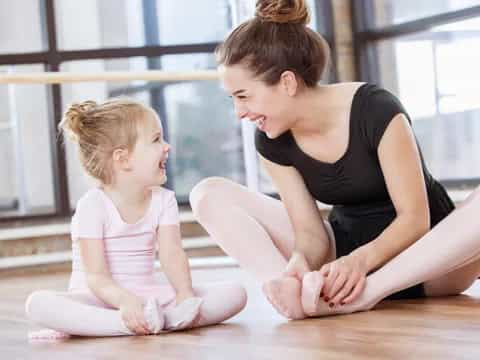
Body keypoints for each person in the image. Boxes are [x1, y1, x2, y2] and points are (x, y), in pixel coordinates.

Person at [189, 0, 480, 320]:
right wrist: (299, 260)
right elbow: (311, 233)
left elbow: (414, 219)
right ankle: (290, 293)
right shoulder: (271, 139)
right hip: (343, 254)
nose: (239, 112)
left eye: (243, 96)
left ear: (287, 82)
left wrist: (360, 263)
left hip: (426, 262)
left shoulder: (375, 109)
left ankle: (367, 293)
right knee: (208, 194)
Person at [25, 98, 246, 339]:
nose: (167, 146)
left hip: (148, 297)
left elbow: (172, 254)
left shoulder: (164, 200)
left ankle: (158, 319)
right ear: (123, 159)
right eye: (156, 140)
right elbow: (96, 277)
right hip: (97, 298)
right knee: (37, 304)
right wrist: (126, 302)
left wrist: (184, 294)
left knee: (235, 293)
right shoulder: (93, 205)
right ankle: (125, 323)